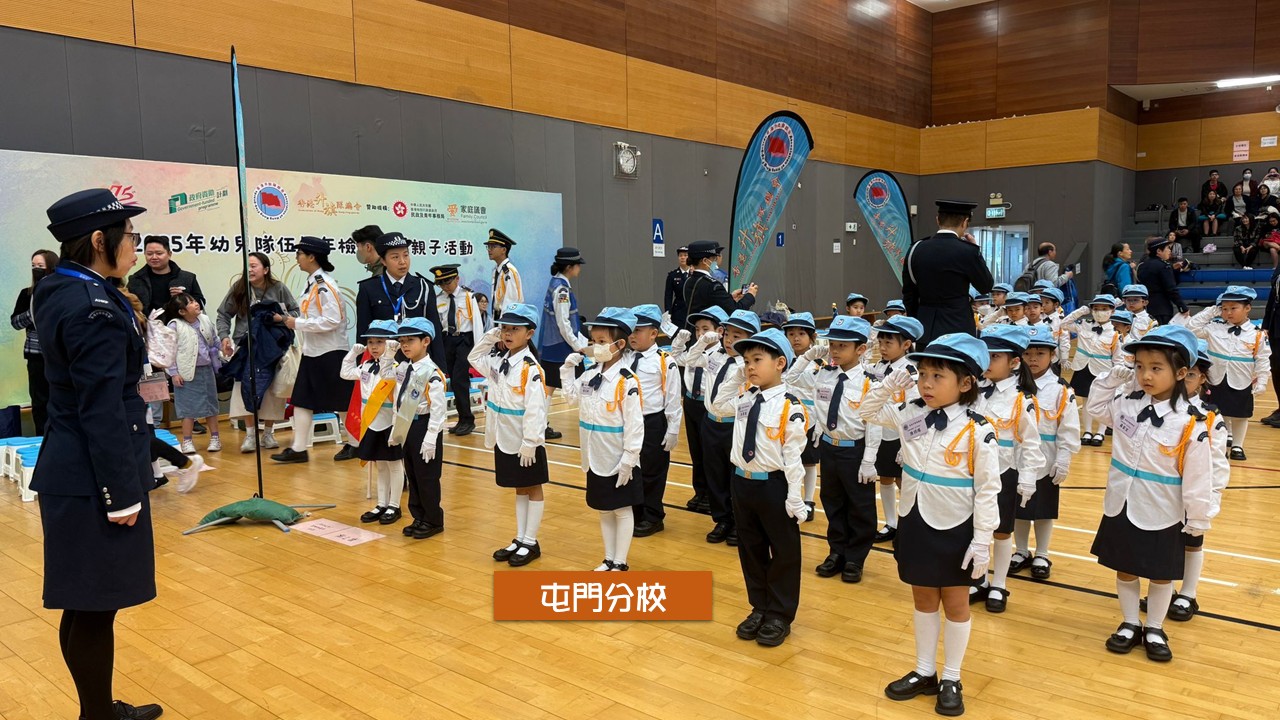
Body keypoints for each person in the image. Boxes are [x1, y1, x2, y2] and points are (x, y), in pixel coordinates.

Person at [33, 188, 165, 720]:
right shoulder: (94, 308)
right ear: (97, 240)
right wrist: (121, 492)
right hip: (93, 476)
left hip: (72, 466)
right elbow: (102, 407)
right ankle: (97, 716)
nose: (134, 244)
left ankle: (97, 711)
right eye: (129, 235)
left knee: (85, 601)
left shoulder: (61, 287)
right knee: (94, 605)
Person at [861, 333, 1000, 717]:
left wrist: (983, 540)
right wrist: (888, 384)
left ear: (966, 382)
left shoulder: (978, 429)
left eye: (938, 376)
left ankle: (952, 676)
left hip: (956, 526)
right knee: (923, 598)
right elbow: (867, 411)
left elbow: (988, 490)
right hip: (916, 520)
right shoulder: (911, 412)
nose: (926, 383)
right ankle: (925, 670)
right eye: (922, 374)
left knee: (955, 603)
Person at [1086, 326, 1213, 663]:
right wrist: (1109, 380)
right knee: (1125, 568)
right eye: (1140, 366)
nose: (1145, 375)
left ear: (1181, 373)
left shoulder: (1191, 423)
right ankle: (1130, 621)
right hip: (1122, 502)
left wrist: (1197, 517)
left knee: (1161, 573)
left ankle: (1155, 626)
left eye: (1156, 368)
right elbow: (1096, 409)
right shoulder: (1126, 404)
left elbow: (1199, 475)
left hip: (1162, 508)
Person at [726, 328, 809, 648]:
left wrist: (795, 496)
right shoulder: (744, 398)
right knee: (751, 549)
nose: (749, 366)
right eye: (746, 361)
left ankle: (779, 614)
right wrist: (736, 377)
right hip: (742, 482)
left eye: (757, 360)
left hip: (773, 485)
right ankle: (759, 606)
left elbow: (794, 457)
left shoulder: (790, 405)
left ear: (780, 363)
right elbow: (715, 404)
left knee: (784, 551)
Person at [1141, 341, 1228, 622]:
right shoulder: (1155, 408)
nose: (1186, 379)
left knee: (1192, 542)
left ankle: (1188, 592)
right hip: (1161, 492)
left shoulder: (1210, 417)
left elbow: (1217, 463)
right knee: (1163, 545)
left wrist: (1211, 498)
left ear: (1202, 378)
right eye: (1184, 373)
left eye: (1192, 374)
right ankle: (1163, 590)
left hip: (1194, 493)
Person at [561, 307, 644, 570]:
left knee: (622, 508)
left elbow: (635, 424)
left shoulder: (626, 381)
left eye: (601, 341)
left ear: (619, 345)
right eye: (593, 341)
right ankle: (608, 558)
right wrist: (567, 369)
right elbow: (570, 398)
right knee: (604, 508)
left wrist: (629, 459)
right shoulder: (589, 374)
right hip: (594, 454)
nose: (595, 346)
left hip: (617, 456)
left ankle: (620, 562)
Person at [468, 303, 550, 567]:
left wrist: (530, 443)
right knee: (519, 487)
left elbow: (536, 409)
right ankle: (520, 537)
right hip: (503, 438)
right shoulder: (499, 360)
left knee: (532, 486)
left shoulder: (531, 369)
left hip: (524, 441)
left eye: (515, 329)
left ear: (529, 333)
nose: (507, 333)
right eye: (504, 328)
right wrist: (489, 337)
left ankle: (531, 541)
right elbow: (473, 358)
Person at [970, 325, 1045, 612]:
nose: (987, 361)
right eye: (985, 354)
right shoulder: (974, 390)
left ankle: (999, 584)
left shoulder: (1021, 399)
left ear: (1013, 362)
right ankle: (978, 579)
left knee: (1001, 532)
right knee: (975, 527)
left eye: (994, 356)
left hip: (1003, 472)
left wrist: (1028, 478)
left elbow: (1030, 442)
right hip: (972, 471)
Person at [270, 237, 355, 464]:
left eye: (299, 254)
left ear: (311, 257)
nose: (296, 258)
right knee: (302, 399)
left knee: (342, 400)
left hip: (331, 351)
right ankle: (299, 448)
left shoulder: (324, 284)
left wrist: (296, 323)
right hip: (313, 351)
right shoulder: (312, 283)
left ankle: (355, 443)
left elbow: (333, 320)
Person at [1008, 325, 1081, 583]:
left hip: (1047, 455)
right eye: (1027, 354)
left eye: (1040, 353)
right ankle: (1021, 550)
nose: (1033, 359)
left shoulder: (1061, 389)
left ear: (1052, 355)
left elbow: (1068, 426)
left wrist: (1064, 457)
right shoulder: (1012, 384)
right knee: (1018, 508)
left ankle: (1042, 553)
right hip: (1015, 455)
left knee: (1044, 509)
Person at [810, 315, 878, 583]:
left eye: (842, 346)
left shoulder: (869, 382)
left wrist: (869, 460)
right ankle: (836, 551)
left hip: (855, 451)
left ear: (860, 349)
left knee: (860, 506)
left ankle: (855, 557)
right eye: (832, 345)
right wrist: (819, 427)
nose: (835, 351)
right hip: (829, 448)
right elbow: (817, 402)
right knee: (832, 501)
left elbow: (873, 424)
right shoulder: (825, 374)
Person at [686, 309, 761, 545]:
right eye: (727, 334)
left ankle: (740, 521)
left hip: (735, 425)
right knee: (714, 473)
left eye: (737, 336)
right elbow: (689, 360)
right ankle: (722, 519)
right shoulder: (715, 356)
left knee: (734, 476)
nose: (729, 340)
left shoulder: (749, 366)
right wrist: (702, 343)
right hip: (711, 422)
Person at [215, 251, 298, 452]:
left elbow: (295, 311)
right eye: (248, 266)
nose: (250, 270)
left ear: (266, 269)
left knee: (272, 389)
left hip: (273, 345)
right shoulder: (239, 289)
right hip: (246, 345)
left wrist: (279, 318)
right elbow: (223, 314)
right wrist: (224, 336)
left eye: (254, 266)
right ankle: (250, 435)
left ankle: (268, 433)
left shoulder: (278, 288)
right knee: (244, 387)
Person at [1184, 286, 1271, 461]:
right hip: (1215, 378)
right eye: (1224, 308)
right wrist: (1211, 311)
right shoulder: (1214, 328)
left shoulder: (1257, 334)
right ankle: (1219, 444)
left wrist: (1262, 380)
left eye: (1233, 308)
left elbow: (1263, 358)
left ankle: (1238, 445)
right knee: (1216, 412)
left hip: (1241, 379)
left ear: (1247, 308)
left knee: (1241, 414)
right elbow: (1191, 328)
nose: (1228, 312)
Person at [902, 200, 995, 346]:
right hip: (959, 326)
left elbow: (909, 294)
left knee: (926, 360)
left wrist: (918, 320)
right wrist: (976, 250)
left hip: (925, 327)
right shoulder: (968, 251)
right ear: (965, 223)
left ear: (938, 220)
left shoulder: (915, 249)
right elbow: (986, 286)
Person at [390, 317, 449, 540]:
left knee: (427, 476)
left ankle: (433, 519)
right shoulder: (405, 368)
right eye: (402, 341)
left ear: (426, 341)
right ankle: (419, 516)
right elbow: (400, 400)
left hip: (425, 426)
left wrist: (431, 437)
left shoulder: (432, 373)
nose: (405, 345)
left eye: (410, 340)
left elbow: (438, 410)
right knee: (413, 474)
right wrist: (396, 430)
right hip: (408, 425)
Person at [868, 315, 925, 544]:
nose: (882, 347)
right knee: (885, 478)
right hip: (881, 433)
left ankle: (907, 525)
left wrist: (907, 443)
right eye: (880, 342)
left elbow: (917, 409)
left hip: (901, 435)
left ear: (906, 344)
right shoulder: (879, 366)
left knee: (905, 483)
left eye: (888, 343)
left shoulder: (910, 371)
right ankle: (891, 523)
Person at [341, 320, 403, 526]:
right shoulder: (366, 366)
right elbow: (345, 373)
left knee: (395, 465)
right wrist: (353, 353)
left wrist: (390, 355)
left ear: (391, 343)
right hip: (371, 421)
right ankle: (381, 503)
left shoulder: (396, 369)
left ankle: (394, 505)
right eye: (370, 342)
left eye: (380, 342)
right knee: (380, 465)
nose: (374, 347)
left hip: (389, 423)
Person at [627, 304, 681, 537]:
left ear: (653, 333)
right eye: (631, 330)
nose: (632, 335)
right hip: (628, 421)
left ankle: (653, 516)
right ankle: (634, 512)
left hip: (652, 421)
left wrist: (673, 429)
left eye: (638, 330)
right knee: (631, 467)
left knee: (652, 471)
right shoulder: (625, 357)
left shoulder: (665, 361)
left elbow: (673, 397)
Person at [669, 306, 728, 515]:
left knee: (711, 454)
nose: (700, 334)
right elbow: (676, 357)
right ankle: (700, 492)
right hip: (691, 402)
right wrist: (679, 342)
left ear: (719, 331)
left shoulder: (721, 355)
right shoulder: (695, 351)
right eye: (697, 329)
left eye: (705, 329)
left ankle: (713, 496)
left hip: (708, 405)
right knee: (696, 451)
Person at [536, 247, 588, 440]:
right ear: (569, 267)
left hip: (553, 345)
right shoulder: (562, 290)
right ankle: (590, 421)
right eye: (577, 265)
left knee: (548, 386)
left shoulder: (555, 283)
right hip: (561, 346)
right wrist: (577, 346)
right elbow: (563, 323)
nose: (579, 268)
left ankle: (540, 425)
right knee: (583, 383)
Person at [163, 292, 221, 454]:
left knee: (211, 406)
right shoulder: (174, 326)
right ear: (182, 311)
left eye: (195, 300)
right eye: (190, 302)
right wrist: (174, 373)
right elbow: (169, 352)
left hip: (206, 370)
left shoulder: (205, 320)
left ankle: (215, 438)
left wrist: (224, 347)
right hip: (185, 372)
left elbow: (214, 340)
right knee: (186, 409)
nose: (196, 304)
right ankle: (187, 441)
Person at [780, 312, 825, 521]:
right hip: (783, 419)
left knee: (808, 462)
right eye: (791, 334)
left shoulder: (819, 365)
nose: (796, 338)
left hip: (810, 420)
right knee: (787, 459)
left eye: (801, 334)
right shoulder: (782, 360)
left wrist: (820, 423)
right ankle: (790, 496)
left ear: (812, 337)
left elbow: (822, 396)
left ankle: (808, 500)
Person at [430, 263, 483, 436]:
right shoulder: (438, 299)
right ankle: (461, 419)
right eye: (441, 283)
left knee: (460, 380)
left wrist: (479, 350)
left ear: (457, 279)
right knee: (453, 380)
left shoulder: (469, 296)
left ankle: (468, 420)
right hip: (447, 341)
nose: (445, 286)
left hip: (464, 340)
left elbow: (477, 324)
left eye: (448, 282)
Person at [11, 249, 58, 434]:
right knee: (39, 402)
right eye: (33, 266)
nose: (36, 269)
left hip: (59, 355)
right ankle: (41, 439)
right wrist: (33, 312)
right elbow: (15, 322)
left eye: (40, 266)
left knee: (61, 399)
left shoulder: (61, 293)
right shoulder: (27, 294)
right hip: (36, 355)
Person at [1064, 294, 1120, 447]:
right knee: (1086, 401)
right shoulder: (1084, 324)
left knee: (1104, 401)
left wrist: (1116, 376)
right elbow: (1064, 324)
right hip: (1083, 367)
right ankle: (1087, 431)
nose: (1100, 312)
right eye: (1096, 309)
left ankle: (1101, 432)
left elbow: (1118, 357)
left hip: (1104, 370)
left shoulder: (1115, 332)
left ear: (1112, 311)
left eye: (1104, 309)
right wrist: (1081, 311)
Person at [681, 240, 757, 329]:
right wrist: (750, 295)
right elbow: (735, 311)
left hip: (694, 330)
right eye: (714, 259)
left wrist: (730, 298)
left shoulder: (688, 281)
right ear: (705, 261)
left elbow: (707, 301)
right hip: (710, 332)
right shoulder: (713, 285)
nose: (715, 262)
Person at [1137, 236, 1188, 326]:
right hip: (1162, 309)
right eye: (1167, 248)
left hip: (1145, 308)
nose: (1169, 251)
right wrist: (1182, 307)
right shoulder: (1164, 266)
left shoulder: (1142, 266)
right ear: (1159, 251)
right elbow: (1171, 289)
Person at [486, 228, 523, 319]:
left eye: (493, 246)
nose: (489, 250)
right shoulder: (496, 270)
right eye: (488, 246)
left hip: (506, 320)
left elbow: (511, 302)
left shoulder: (509, 271)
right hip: (497, 318)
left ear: (503, 250)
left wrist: (504, 324)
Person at [664, 246, 691, 330]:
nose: (682, 257)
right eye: (680, 255)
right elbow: (668, 296)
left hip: (691, 309)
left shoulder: (694, 274)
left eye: (685, 255)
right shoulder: (673, 275)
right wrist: (668, 313)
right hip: (678, 310)